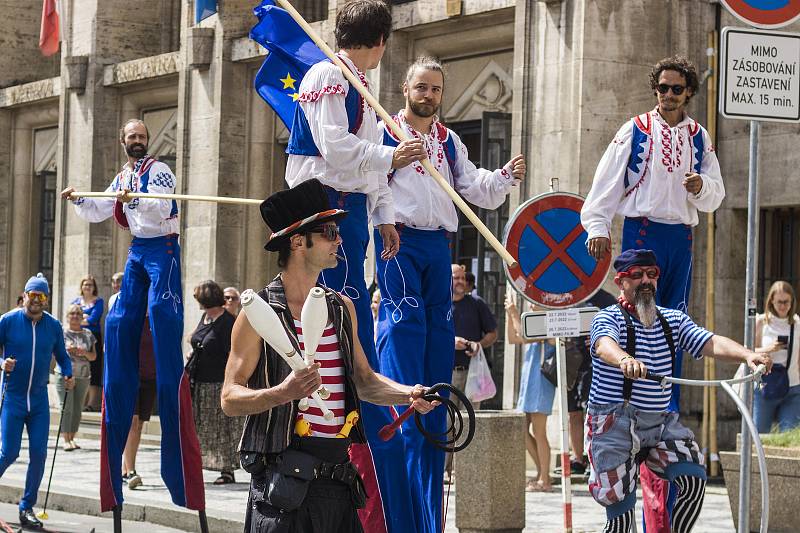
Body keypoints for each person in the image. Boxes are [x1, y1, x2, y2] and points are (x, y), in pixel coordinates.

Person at [221, 178, 438, 533]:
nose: (340, 239)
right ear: (297, 241)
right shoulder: (258, 313)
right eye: (329, 232)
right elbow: (230, 397)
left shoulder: (342, 308)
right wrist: (282, 393)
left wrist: (408, 394)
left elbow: (364, 381)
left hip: (338, 481)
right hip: (284, 485)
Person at [284, 2, 426, 530]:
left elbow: (364, 166)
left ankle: (363, 421)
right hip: (322, 208)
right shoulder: (327, 74)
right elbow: (337, 150)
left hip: (352, 213)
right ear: (383, 40)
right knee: (335, 322)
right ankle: (335, 426)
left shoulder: (360, 84)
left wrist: (385, 214)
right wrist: (392, 158)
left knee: (353, 318)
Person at [580, 56, 726, 532]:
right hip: (642, 234)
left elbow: (717, 195)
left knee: (673, 325)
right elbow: (606, 181)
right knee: (638, 322)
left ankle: (665, 413)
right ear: (655, 89)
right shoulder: (634, 130)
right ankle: (633, 409)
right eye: (662, 87)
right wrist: (598, 226)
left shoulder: (701, 137)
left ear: (688, 93)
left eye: (677, 89)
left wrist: (701, 185)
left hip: (680, 237)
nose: (667, 95)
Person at [61, 118, 204, 513]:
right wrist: (78, 199)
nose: (138, 142)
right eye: (132, 138)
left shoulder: (157, 171)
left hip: (162, 247)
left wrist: (133, 199)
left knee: (161, 309)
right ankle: (120, 364)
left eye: (142, 137)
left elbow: (161, 208)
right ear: (122, 141)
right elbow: (99, 209)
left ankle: (167, 368)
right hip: (139, 249)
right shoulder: (123, 174)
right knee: (121, 318)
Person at [587, 249, 772, 533]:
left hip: (660, 422)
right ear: (620, 282)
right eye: (637, 275)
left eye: (652, 274)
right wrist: (624, 359)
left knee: (693, 476)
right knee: (621, 518)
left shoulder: (673, 320)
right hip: (615, 423)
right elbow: (604, 345)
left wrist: (748, 355)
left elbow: (708, 341)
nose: (646, 280)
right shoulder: (608, 317)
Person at [0, 274, 74, 528]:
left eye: (41, 296)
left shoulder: (53, 326)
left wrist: (68, 372)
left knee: (40, 454)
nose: (36, 301)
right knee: (8, 452)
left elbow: (63, 357)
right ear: (25, 295)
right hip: (13, 397)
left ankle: (26, 507)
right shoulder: (8, 321)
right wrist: (2, 363)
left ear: (47, 299)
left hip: (39, 402)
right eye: (32, 295)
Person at [443, 264, 499, 482]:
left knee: (468, 421)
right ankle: (445, 471)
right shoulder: (440, 304)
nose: (459, 281)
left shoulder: (476, 304)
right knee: (447, 423)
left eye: (462, 278)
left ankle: (463, 471)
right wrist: (450, 342)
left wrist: (478, 344)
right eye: (455, 278)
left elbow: (493, 333)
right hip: (445, 373)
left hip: (472, 373)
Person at [188, 280, 243, 485]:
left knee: (222, 428)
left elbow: (234, 354)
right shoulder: (206, 317)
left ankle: (227, 469)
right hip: (200, 381)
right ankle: (200, 465)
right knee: (203, 426)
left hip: (219, 382)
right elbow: (196, 339)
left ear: (205, 299)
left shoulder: (227, 322)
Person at [505, 292, 555, 492]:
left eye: (536, 304)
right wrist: (509, 315)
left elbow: (525, 336)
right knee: (522, 430)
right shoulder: (532, 323)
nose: (532, 307)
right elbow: (512, 338)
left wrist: (515, 313)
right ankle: (542, 473)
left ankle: (545, 479)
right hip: (528, 384)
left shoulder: (549, 327)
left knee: (539, 432)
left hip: (542, 383)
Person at [753, 280, 800, 433]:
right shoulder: (761, 321)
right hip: (764, 386)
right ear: (771, 300)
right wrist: (769, 349)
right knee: (760, 436)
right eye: (779, 301)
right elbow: (748, 352)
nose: (783, 306)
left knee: (788, 438)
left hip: (792, 388)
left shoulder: (797, 323)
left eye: (787, 302)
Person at [121, 315, 156, 490]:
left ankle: (124, 469)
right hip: (130, 378)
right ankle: (132, 471)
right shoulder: (129, 318)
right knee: (133, 423)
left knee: (139, 425)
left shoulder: (156, 319)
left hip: (150, 378)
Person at [57, 304, 97, 451]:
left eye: (78, 314)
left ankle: (72, 437)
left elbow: (94, 356)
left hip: (83, 375)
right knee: (66, 406)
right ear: (67, 316)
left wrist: (83, 353)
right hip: (64, 374)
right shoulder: (61, 332)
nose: (75, 316)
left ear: (82, 317)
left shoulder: (88, 334)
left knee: (78, 408)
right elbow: (55, 353)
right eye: (72, 313)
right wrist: (68, 350)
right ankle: (65, 439)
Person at [72, 276, 104, 411]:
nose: (87, 287)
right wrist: (84, 318)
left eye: (90, 285)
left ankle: (91, 404)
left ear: (94, 287)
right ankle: (80, 402)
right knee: (78, 367)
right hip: (78, 337)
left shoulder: (99, 301)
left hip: (93, 337)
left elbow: (93, 319)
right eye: (85, 284)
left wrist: (83, 317)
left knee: (94, 369)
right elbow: (71, 316)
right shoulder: (76, 301)